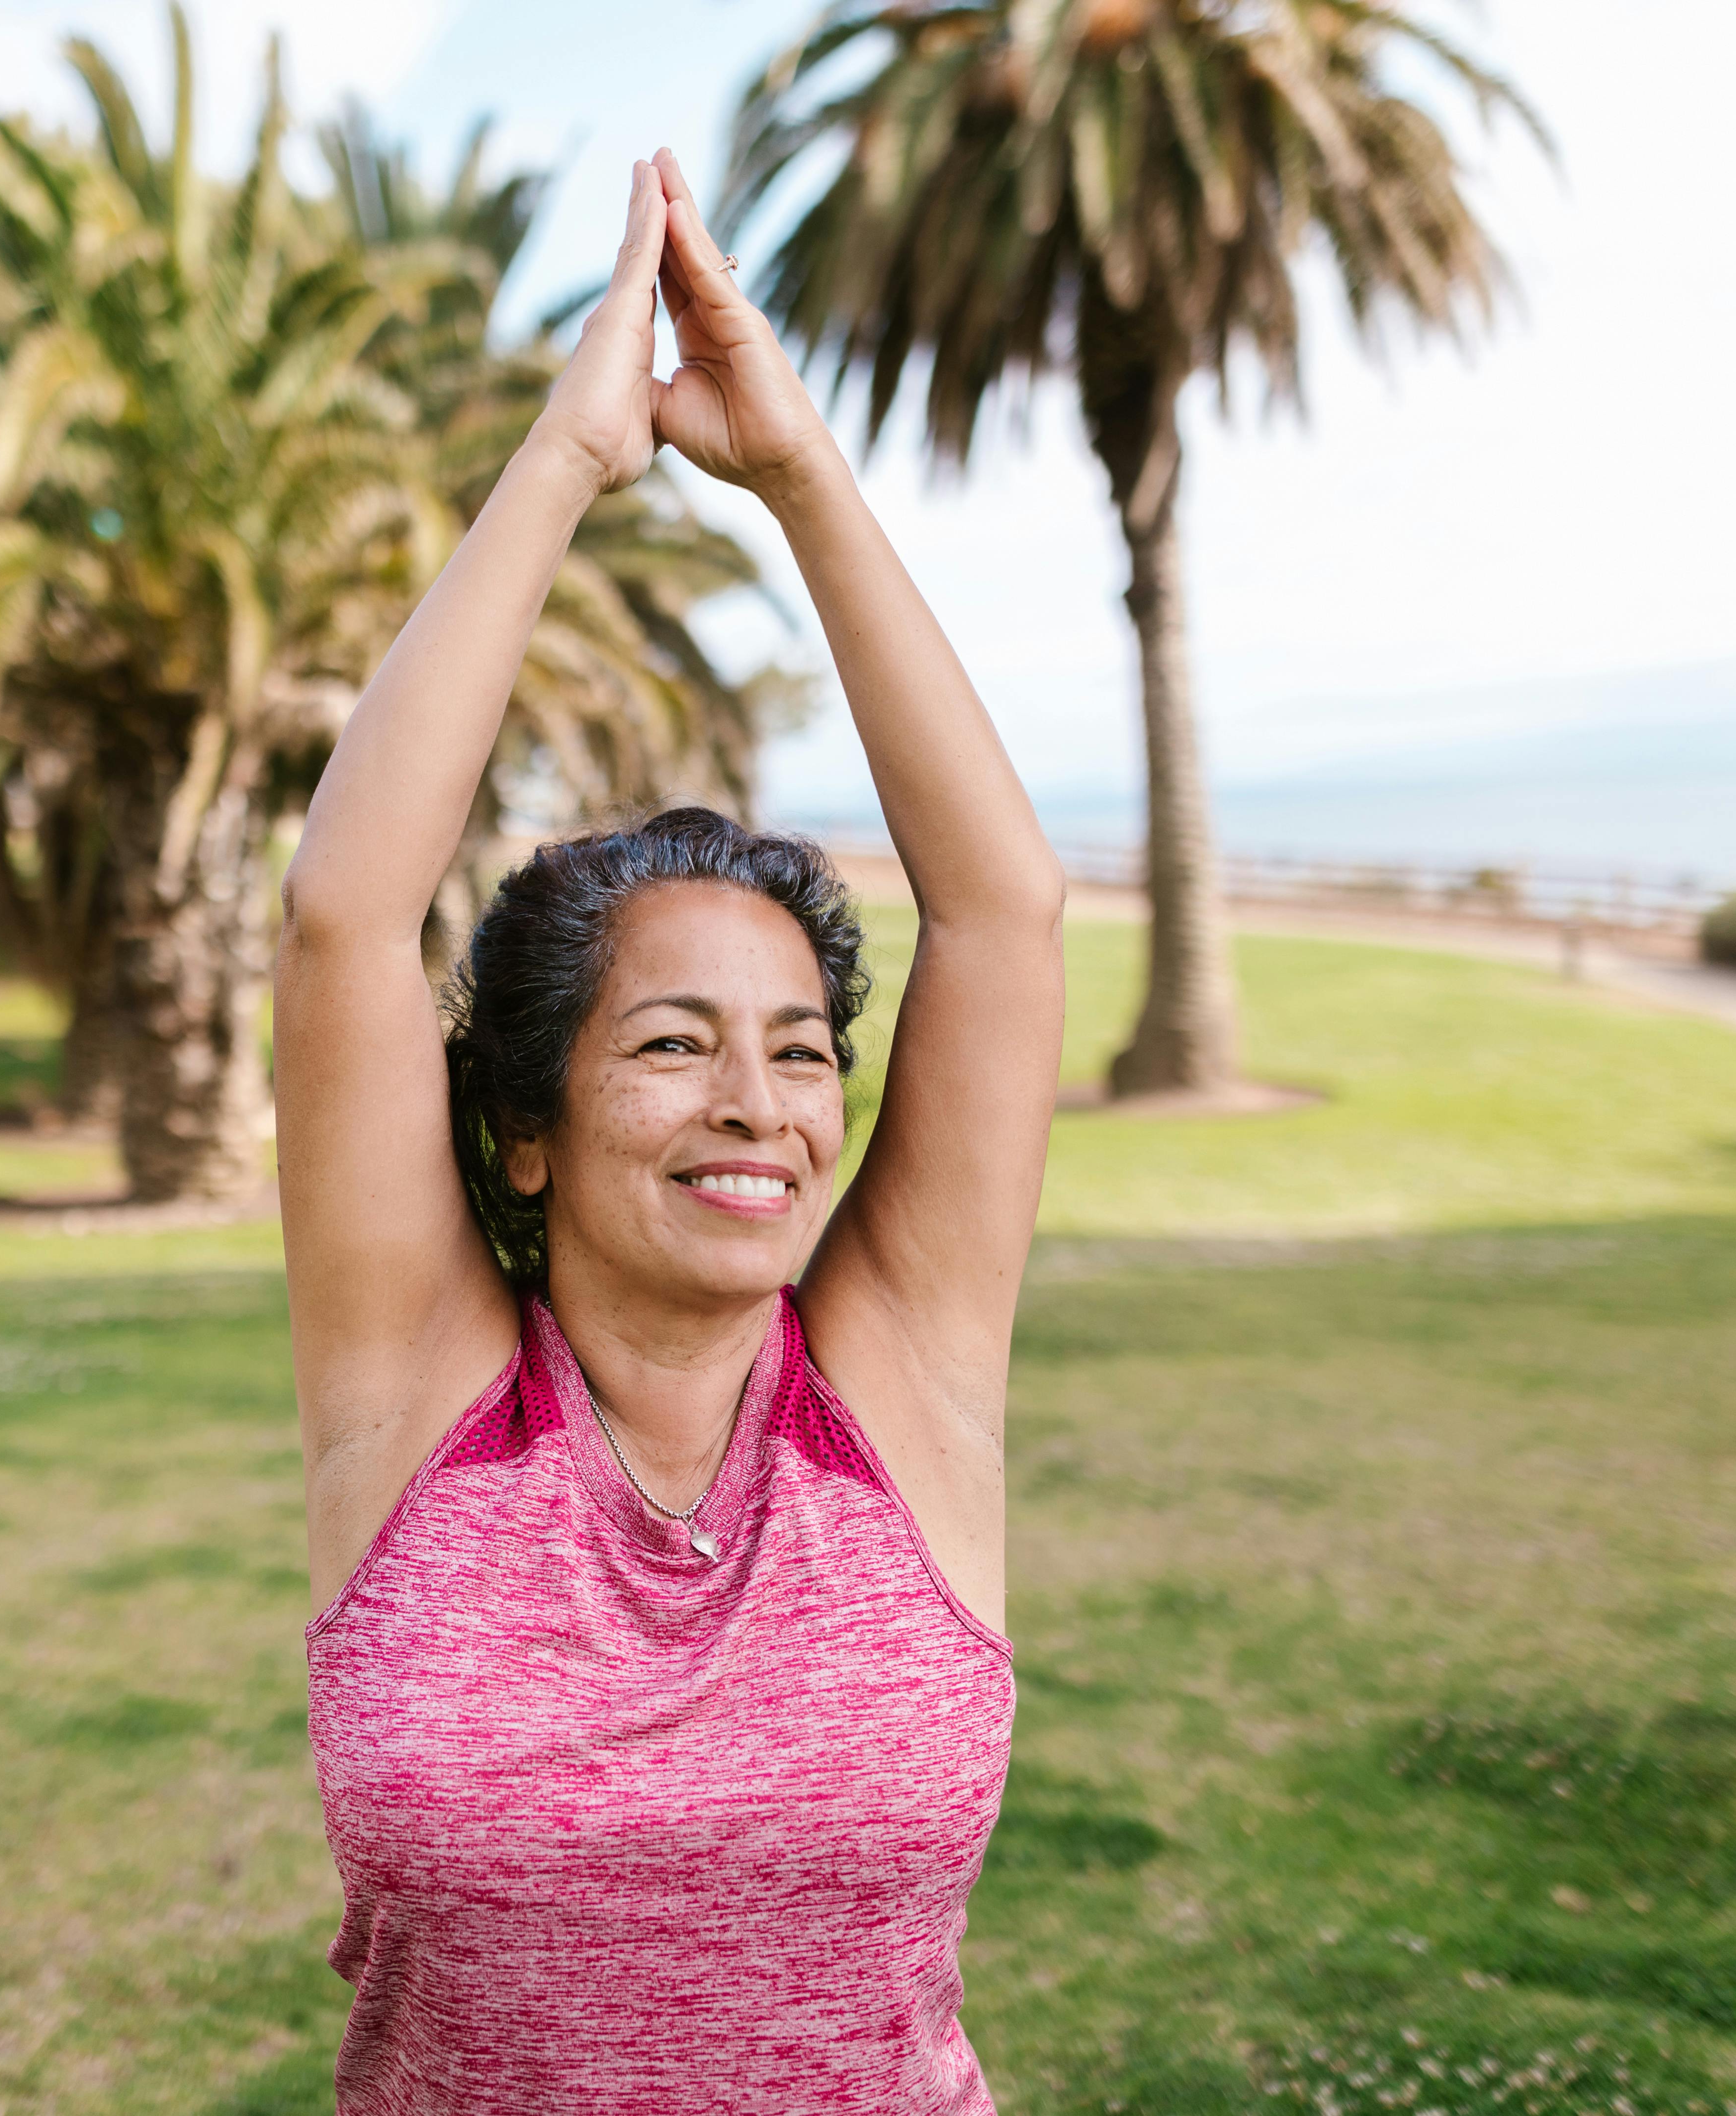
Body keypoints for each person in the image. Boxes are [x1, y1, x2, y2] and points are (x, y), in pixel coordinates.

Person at [274, 149, 1067, 2114]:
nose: (762, 1111)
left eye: (803, 1051)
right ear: (525, 1129)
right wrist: (564, 461)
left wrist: (799, 474)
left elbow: (1005, 915)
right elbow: (347, 921)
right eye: (676, 1045)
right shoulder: (421, 1405)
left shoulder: (900, 1390)